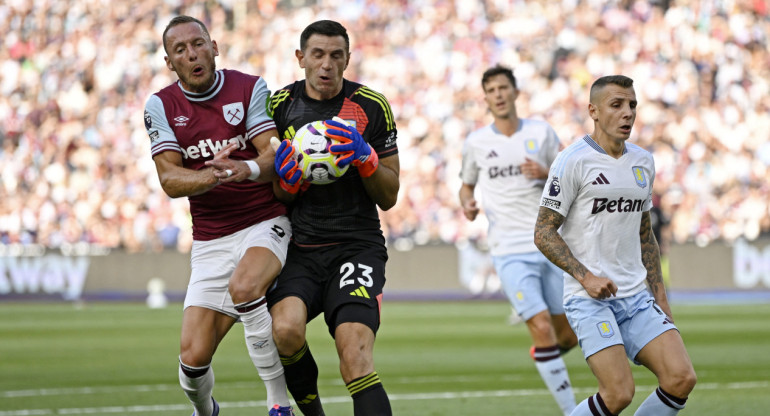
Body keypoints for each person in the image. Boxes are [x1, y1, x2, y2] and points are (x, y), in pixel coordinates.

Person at [144, 15, 294, 416]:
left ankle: (279, 402)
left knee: (246, 288)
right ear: (169, 62)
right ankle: (206, 409)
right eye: (180, 50)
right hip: (211, 241)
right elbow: (170, 179)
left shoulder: (249, 87)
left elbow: (273, 151)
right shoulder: (161, 105)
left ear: (214, 47)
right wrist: (212, 174)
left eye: (197, 44)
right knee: (192, 361)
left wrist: (243, 169)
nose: (192, 54)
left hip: (264, 221)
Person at [534, 75, 697, 416]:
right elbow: (544, 232)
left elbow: (643, 233)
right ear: (593, 111)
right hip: (589, 299)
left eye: (632, 105)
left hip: (636, 297)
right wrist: (586, 277)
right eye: (617, 105)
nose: (628, 113)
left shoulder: (642, 163)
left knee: (681, 378)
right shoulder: (572, 161)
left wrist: (660, 295)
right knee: (618, 393)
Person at [266, 20, 399, 416]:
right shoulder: (279, 105)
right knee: (285, 331)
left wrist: (366, 158)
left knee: (354, 354)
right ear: (301, 58)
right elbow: (274, 194)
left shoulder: (371, 106)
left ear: (347, 59)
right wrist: (288, 185)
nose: (327, 64)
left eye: (336, 55)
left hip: (356, 246)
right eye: (318, 54)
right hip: (301, 249)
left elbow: (389, 195)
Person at [459, 64, 578, 416]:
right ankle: (573, 411)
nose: (498, 94)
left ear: (515, 92)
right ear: (486, 99)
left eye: (503, 88)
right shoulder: (477, 142)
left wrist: (545, 173)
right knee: (541, 327)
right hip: (508, 250)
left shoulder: (541, 133)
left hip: (550, 244)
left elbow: (570, 178)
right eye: (491, 90)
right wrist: (466, 202)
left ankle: (546, 354)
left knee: (566, 337)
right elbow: (465, 185)